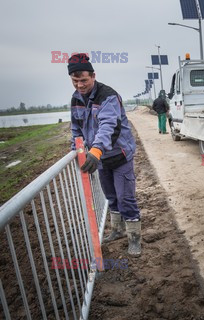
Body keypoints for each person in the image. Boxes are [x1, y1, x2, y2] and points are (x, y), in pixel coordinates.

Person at [68, 53, 142, 256]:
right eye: (75, 81)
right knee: (111, 197)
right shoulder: (75, 99)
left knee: (125, 197)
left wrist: (96, 151)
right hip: (100, 159)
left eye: (83, 80)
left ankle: (134, 238)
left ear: (93, 76)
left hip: (119, 155)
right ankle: (117, 230)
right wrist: (76, 150)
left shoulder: (108, 95)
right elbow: (76, 129)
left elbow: (108, 125)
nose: (80, 85)